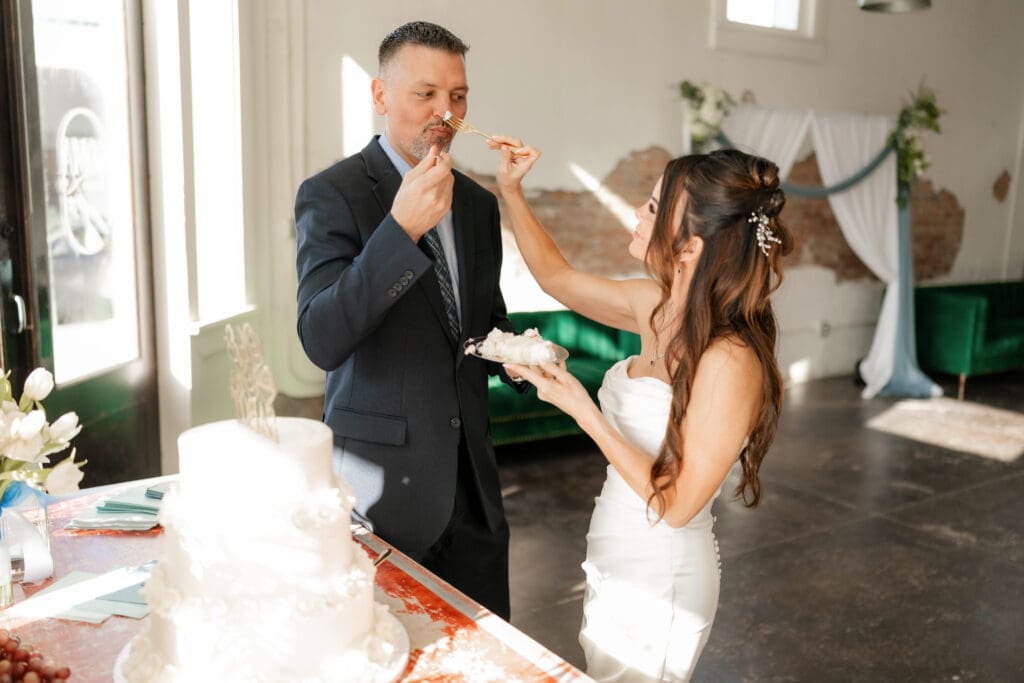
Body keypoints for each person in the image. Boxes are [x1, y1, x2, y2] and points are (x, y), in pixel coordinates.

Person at [493, 141, 792, 681]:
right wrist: (511, 191)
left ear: (691, 247)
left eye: (653, 208)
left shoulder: (730, 360)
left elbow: (676, 506)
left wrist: (583, 411)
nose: (636, 213)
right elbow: (556, 278)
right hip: (614, 545)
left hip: (665, 571)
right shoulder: (653, 304)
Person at [294, 21, 525, 620]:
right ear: (380, 95)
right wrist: (400, 233)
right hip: (379, 492)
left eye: (458, 96)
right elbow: (322, 337)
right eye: (426, 94)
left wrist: (519, 357)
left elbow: (480, 321)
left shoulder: (477, 204)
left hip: (472, 487)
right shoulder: (332, 194)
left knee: (480, 655)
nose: (445, 112)